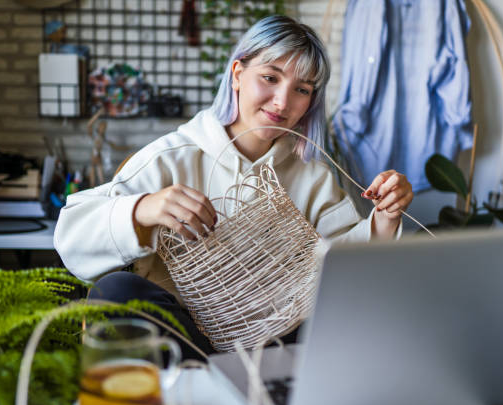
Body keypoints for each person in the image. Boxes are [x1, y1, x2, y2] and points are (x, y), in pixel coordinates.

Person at [54, 15, 413, 360]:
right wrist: (142, 209)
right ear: (237, 74)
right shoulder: (172, 157)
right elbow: (72, 236)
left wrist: (384, 219)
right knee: (115, 291)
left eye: (301, 89)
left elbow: (344, 269)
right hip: (184, 341)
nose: (282, 102)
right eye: (270, 77)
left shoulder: (312, 176)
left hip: (279, 337)